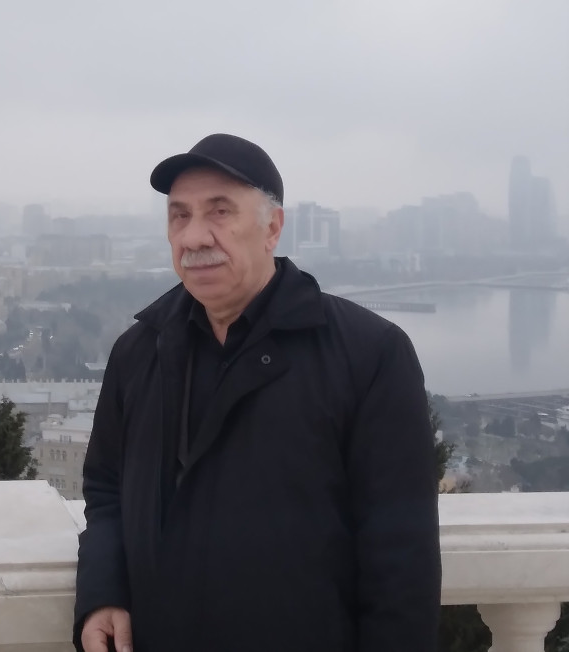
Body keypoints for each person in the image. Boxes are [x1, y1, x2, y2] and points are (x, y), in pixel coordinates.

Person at [74, 133, 441, 652]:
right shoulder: (139, 352)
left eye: (219, 212)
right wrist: (104, 592)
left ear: (272, 227)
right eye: (179, 216)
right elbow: (107, 489)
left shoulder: (369, 355)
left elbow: (401, 559)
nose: (194, 237)